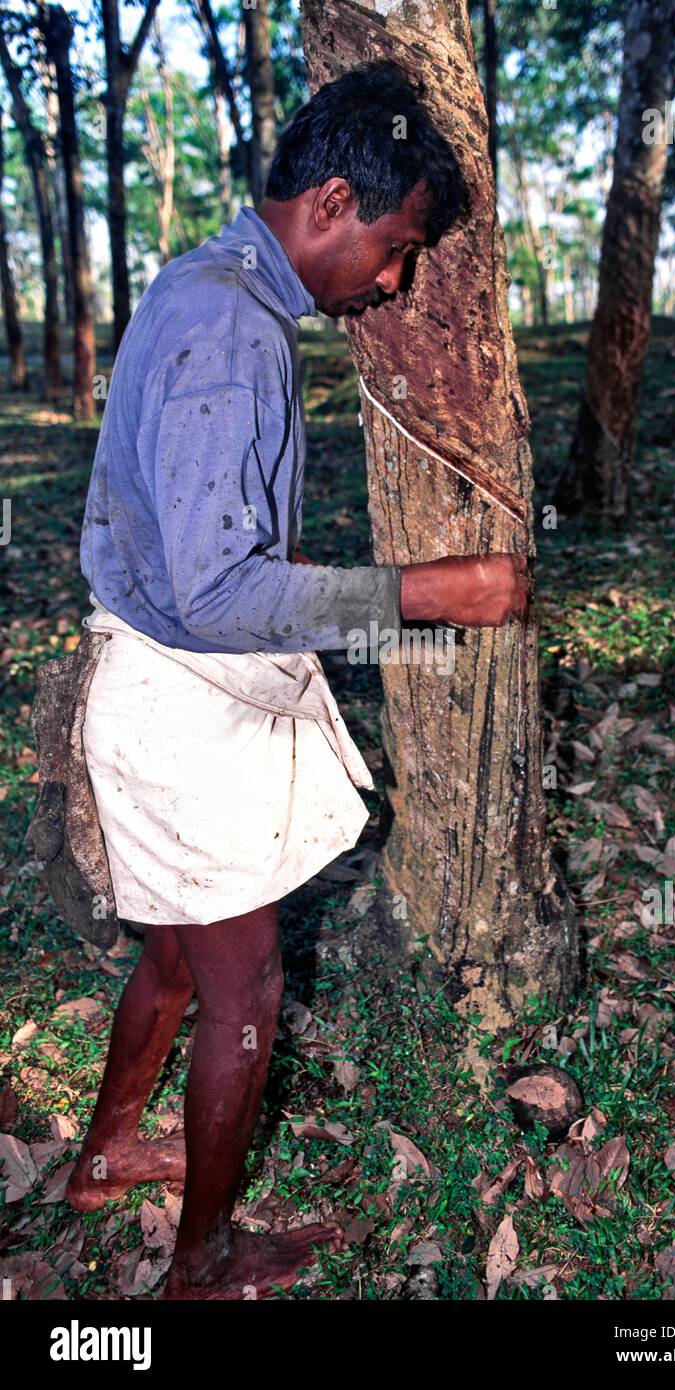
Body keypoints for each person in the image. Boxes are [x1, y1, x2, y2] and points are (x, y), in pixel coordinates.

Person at [65, 58, 528, 1300]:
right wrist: (441, 591)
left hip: (156, 675)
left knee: (174, 960)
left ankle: (106, 1154)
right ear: (331, 200)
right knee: (244, 984)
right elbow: (221, 591)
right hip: (180, 697)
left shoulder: (209, 287)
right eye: (395, 246)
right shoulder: (232, 330)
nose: (394, 280)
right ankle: (201, 1267)